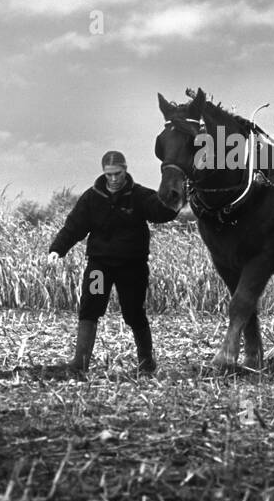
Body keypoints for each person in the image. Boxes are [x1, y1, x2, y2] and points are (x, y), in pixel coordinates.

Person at [47, 150, 178, 377]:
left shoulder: (140, 195)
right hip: (100, 268)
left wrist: (175, 198)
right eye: (109, 175)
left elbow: (161, 212)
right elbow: (74, 226)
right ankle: (80, 364)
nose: (114, 179)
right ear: (103, 173)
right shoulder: (91, 197)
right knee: (90, 307)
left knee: (134, 312)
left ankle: (147, 364)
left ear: (125, 170)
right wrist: (57, 249)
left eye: (117, 173)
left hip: (132, 268)